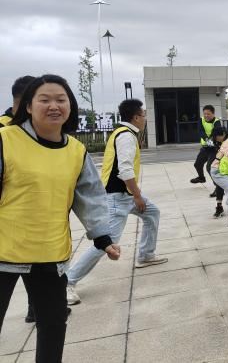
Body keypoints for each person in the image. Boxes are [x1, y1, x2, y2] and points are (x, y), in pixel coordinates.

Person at [0, 74, 120, 362]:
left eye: (60, 100)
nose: (53, 106)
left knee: (53, 325)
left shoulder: (76, 150)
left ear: (70, 106)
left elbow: (89, 196)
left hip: (50, 253)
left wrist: (102, 237)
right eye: (44, 100)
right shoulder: (5, 140)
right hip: (4, 252)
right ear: (28, 106)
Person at [66, 98, 167, 305]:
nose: (145, 119)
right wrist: (137, 195)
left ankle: (146, 254)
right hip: (117, 197)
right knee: (107, 242)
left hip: (125, 194)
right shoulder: (126, 136)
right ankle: (68, 281)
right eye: (144, 115)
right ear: (136, 117)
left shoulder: (123, 132)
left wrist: (135, 195)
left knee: (152, 213)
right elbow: (125, 169)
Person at [0, 75, 37, 323]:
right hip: (6, 234)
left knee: (36, 270)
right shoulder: (5, 133)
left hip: (32, 229)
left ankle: (36, 309)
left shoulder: (31, 131)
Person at [190, 104, 221, 184]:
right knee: (197, 164)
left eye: (208, 114)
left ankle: (218, 186)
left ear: (213, 114)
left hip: (214, 149)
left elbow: (216, 133)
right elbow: (201, 131)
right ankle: (201, 178)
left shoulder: (217, 122)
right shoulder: (201, 120)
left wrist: (211, 141)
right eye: (205, 114)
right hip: (205, 147)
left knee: (209, 168)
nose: (206, 115)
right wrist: (207, 140)